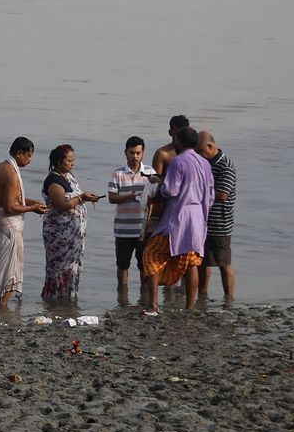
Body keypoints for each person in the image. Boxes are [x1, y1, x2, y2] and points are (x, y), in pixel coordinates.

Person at [141, 126, 213, 315]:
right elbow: (210, 194)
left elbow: (171, 190)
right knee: (191, 262)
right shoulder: (205, 163)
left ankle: (153, 305)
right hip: (198, 216)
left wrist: (159, 184)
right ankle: (190, 306)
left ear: (179, 142)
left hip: (179, 215)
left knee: (152, 254)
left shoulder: (178, 162)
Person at [0, 138, 48, 307]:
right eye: (28, 156)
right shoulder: (11, 173)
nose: (30, 160)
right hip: (6, 226)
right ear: (18, 153)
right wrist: (33, 208)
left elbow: (11, 198)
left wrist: (32, 202)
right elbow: (9, 207)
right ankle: (1, 305)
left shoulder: (1, 166)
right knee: (11, 269)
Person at [40, 145, 100, 301]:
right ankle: (54, 300)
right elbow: (61, 205)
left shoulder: (67, 176)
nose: (72, 164)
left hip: (73, 236)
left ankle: (67, 299)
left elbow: (74, 196)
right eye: (69, 161)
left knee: (72, 268)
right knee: (58, 268)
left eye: (73, 160)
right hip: (60, 236)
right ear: (59, 161)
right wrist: (82, 198)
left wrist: (85, 197)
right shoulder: (54, 181)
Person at [107, 137, 154, 296]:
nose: (135, 157)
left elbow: (156, 197)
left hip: (143, 228)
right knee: (122, 265)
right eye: (131, 153)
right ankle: (123, 297)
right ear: (125, 153)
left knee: (144, 264)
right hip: (123, 228)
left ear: (143, 153)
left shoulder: (150, 172)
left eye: (138, 153)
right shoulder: (117, 173)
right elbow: (111, 198)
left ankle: (144, 296)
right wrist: (128, 197)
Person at [197, 131, 236, 301]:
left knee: (223, 263)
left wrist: (197, 189)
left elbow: (222, 194)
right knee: (203, 261)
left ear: (211, 147)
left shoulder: (225, 165)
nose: (199, 155)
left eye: (200, 151)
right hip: (204, 222)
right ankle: (202, 295)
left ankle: (229, 297)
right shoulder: (207, 162)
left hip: (221, 222)